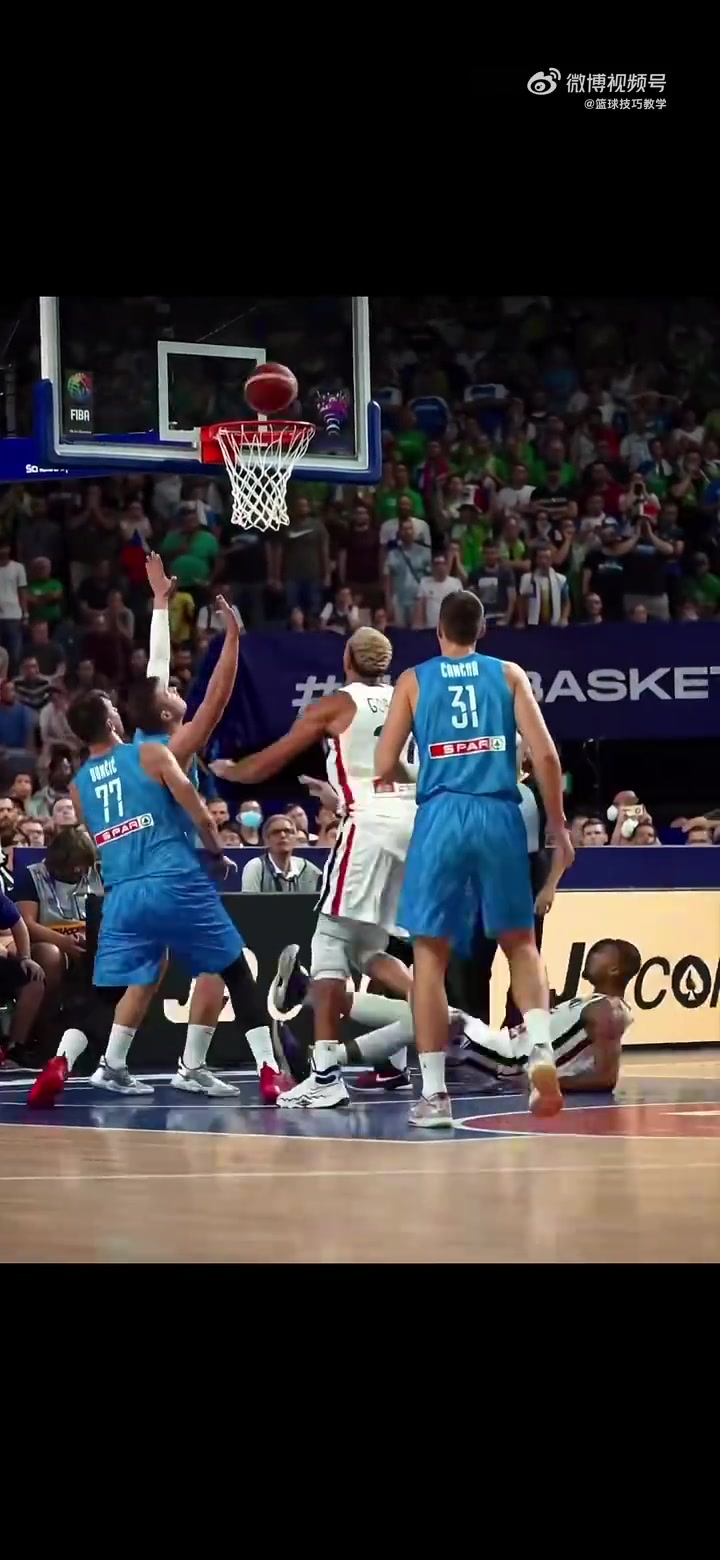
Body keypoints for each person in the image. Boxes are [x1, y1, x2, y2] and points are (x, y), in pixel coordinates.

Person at [28, 593, 288, 1108]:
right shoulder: (159, 750)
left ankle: (66, 1061)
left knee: (116, 986)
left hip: (123, 891)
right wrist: (232, 640)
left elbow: (158, 673)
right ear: (112, 721)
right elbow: (213, 703)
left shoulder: (80, 784)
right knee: (234, 969)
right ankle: (267, 1070)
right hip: (173, 875)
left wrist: (161, 602)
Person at [374, 590, 573, 1127]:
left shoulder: (413, 680)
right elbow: (546, 755)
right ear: (481, 631)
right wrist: (556, 825)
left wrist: (430, 771)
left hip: (441, 815)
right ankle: (540, 1052)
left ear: (439, 631)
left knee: (429, 956)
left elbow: (385, 762)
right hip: (499, 813)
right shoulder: (508, 674)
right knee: (520, 943)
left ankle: (435, 1095)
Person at [211, 628, 418, 1109]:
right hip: (412, 826)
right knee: (368, 946)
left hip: (369, 828)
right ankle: (433, 1011)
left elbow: (272, 759)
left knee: (328, 944)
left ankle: (325, 1074)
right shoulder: (407, 700)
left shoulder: (337, 705)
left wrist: (232, 772)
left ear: (347, 659)